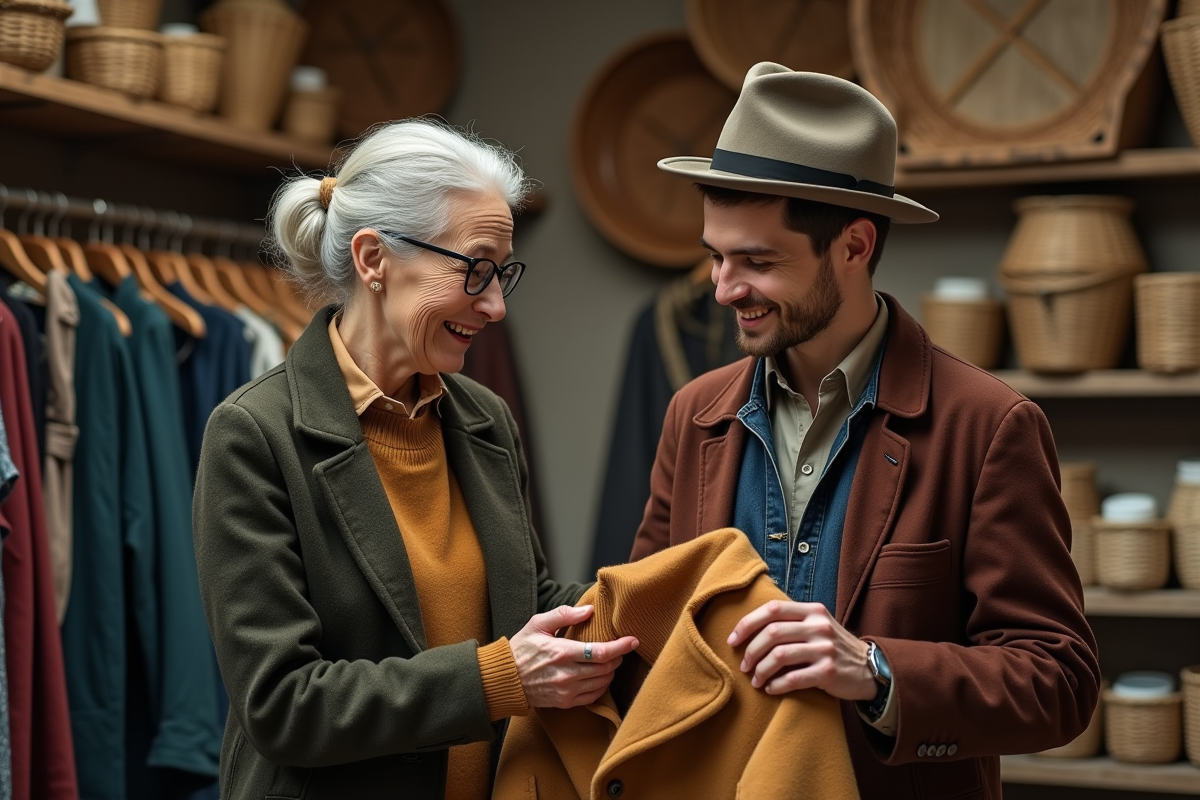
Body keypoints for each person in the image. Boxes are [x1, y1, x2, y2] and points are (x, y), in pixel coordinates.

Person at [631, 63, 1100, 799]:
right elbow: (650, 631)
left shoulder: (991, 427)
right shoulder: (694, 415)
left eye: (756, 261)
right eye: (716, 257)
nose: (724, 290)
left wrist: (876, 670)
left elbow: (1059, 681)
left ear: (853, 247)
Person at [192, 119, 638, 800]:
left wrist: (666, 601)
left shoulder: (484, 419)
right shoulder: (254, 436)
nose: (494, 306)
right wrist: (498, 678)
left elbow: (529, 605)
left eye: (502, 275)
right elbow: (281, 705)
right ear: (374, 260)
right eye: (475, 269)